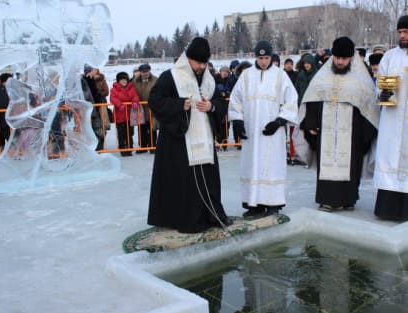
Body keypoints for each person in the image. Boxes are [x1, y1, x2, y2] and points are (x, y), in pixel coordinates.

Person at [147, 37, 231, 233]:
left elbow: (221, 103)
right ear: (188, 59)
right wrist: (178, 105)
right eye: (198, 62)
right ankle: (185, 219)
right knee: (185, 182)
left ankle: (210, 215)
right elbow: (155, 100)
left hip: (205, 142)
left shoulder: (209, 79)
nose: (201, 66)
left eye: (204, 62)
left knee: (207, 180)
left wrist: (212, 106)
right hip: (181, 142)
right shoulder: (172, 76)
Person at [296, 36, 379, 211]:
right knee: (325, 165)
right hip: (325, 130)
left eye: (344, 58)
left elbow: (370, 106)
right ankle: (326, 199)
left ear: (351, 58)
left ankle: (349, 199)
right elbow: (312, 100)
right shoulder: (322, 77)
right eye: (337, 58)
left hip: (352, 133)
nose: (340, 62)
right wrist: (310, 124)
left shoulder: (360, 79)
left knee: (350, 166)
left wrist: (364, 136)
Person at [228, 40, 298, 218]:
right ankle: (254, 204)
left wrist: (280, 121)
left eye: (266, 58)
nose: (264, 61)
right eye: (260, 58)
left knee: (272, 166)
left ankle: (272, 203)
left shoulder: (280, 75)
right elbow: (235, 100)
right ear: (255, 57)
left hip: (272, 134)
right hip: (252, 133)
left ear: (271, 57)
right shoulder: (246, 76)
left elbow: (291, 99)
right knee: (251, 165)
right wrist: (237, 121)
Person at [373, 16, 408, 221]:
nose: (402, 36)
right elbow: (379, 85)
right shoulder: (389, 57)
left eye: (406, 32)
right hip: (393, 120)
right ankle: (386, 209)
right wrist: (382, 94)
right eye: (400, 32)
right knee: (390, 160)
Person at [110, 71, 140, 157]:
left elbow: (135, 96)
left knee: (129, 133)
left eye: (125, 80)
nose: (123, 81)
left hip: (130, 114)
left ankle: (129, 148)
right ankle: (122, 149)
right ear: (118, 81)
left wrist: (135, 102)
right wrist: (119, 105)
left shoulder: (131, 88)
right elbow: (113, 98)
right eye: (122, 80)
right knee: (121, 133)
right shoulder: (114, 89)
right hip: (120, 114)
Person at [81, 66, 110, 151]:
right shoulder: (86, 81)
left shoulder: (95, 80)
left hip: (99, 105)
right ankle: (96, 146)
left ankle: (100, 145)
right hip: (91, 107)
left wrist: (99, 94)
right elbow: (88, 94)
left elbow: (105, 91)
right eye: (93, 70)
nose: (95, 71)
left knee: (100, 126)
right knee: (94, 127)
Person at [132, 63, 158, 154]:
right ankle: (142, 146)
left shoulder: (155, 80)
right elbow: (132, 92)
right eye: (143, 72)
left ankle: (152, 146)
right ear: (140, 72)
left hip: (151, 108)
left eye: (146, 71)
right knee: (141, 128)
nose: (145, 73)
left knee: (152, 128)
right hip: (140, 108)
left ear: (149, 71)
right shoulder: (135, 81)